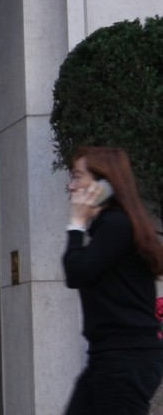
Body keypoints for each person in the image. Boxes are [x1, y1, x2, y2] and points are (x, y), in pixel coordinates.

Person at [62, 146, 163, 415]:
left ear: (103, 185)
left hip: (126, 359)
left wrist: (75, 225)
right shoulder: (112, 228)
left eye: (78, 176)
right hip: (110, 357)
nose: (71, 186)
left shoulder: (117, 225)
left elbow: (77, 273)